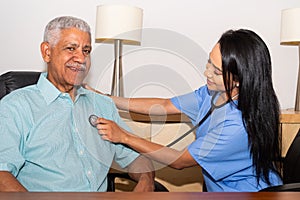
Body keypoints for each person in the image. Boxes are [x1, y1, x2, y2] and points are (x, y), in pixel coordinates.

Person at [87, 29, 283, 191]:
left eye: (216, 71)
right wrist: (106, 98)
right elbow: (164, 105)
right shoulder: (212, 93)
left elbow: (178, 161)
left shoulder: (237, 126)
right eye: (209, 63)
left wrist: (124, 136)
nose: (207, 73)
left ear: (239, 79)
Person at [0, 16, 155, 192]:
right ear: (47, 52)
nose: (81, 58)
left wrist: (146, 182)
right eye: (71, 48)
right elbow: (2, 173)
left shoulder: (103, 105)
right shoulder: (15, 107)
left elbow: (136, 159)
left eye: (86, 51)